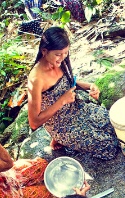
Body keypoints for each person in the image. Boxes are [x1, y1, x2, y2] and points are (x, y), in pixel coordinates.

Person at [27, 26, 119, 160]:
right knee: (108, 145)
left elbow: (70, 81)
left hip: (77, 108)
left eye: (65, 53)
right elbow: (34, 122)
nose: (62, 57)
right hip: (61, 125)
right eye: (58, 54)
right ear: (44, 51)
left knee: (114, 124)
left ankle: (64, 140)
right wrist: (62, 101)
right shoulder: (36, 79)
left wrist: (90, 86)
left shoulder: (59, 61)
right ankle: (60, 139)